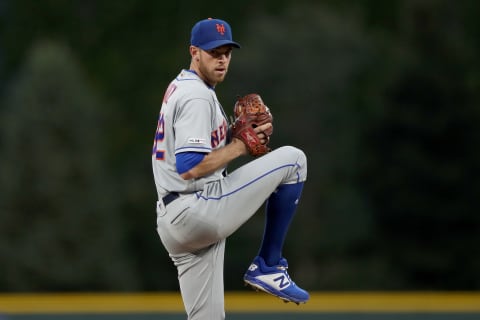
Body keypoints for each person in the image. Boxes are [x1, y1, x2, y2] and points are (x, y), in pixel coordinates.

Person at [151, 17, 309, 320]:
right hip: (195, 208)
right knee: (294, 160)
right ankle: (269, 265)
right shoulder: (196, 95)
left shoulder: (181, 86)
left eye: (227, 52)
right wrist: (240, 146)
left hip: (175, 220)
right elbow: (190, 167)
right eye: (213, 52)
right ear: (194, 51)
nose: (222, 59)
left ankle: (268, 267)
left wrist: (230, 137)